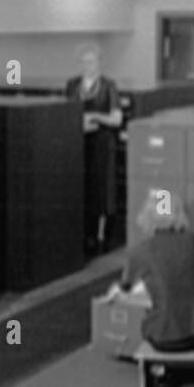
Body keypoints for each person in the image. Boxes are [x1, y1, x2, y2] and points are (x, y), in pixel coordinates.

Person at [119, 189, 194, 353]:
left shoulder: (140, 250)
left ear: (147, 215)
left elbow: (125, 287)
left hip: (162, 338)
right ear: (179, 213)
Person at [65, 42, 122, 255]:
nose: (88, 65)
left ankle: (104, 236)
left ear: (99, 62)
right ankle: (86, 235)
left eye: (92, 61)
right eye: (84, 61)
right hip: (80, 143)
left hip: (102, 143)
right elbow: (66, 109)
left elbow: (116, 119)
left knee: (103, 189)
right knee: (84, 188)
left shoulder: (109, 86)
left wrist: (95, 116)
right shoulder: (72, 85)